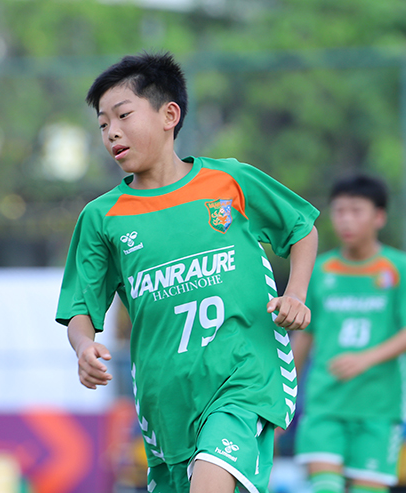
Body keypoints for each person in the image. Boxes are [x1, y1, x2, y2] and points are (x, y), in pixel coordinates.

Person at [55, 52, 319, 493]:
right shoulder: (102, 218)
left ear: (169, 115)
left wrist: (296, 293)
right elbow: (81, 307)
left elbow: (301, 229)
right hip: (165, 401)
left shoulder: (229, 182)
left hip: (243, 380)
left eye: (123, 115)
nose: (112, 132)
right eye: (102, 124)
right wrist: (84, 346)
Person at [291, 175, 406, 493]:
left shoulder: (400, 267)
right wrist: (280, 395)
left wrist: (364, 359)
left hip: (379, 408)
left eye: (356, 210)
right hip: (325, 403)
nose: (346, 219)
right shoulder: (320, 270)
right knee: (325, 488)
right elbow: (304, 336)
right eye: (339, 211)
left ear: (379, 217)